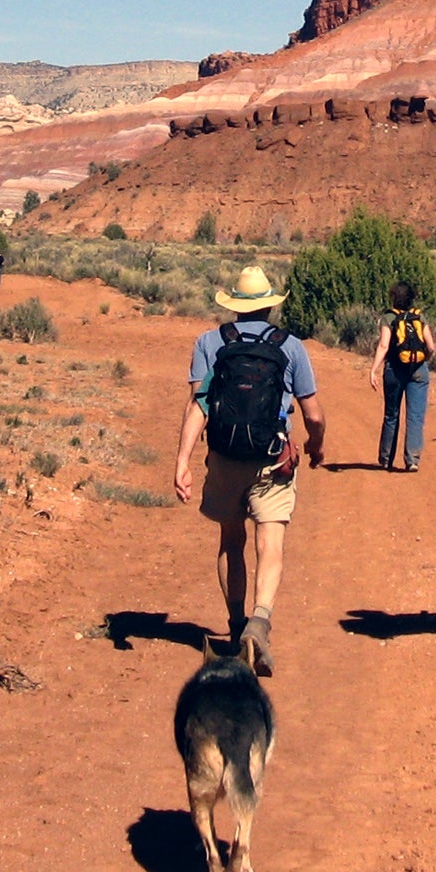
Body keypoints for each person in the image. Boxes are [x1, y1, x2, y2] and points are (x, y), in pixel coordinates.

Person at [173, 265, 325, 676]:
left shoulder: (210, 342)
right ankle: (260, 622)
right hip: (272, 459)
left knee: (231, 540)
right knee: (270, 543)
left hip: (225, 457)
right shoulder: (290, 347)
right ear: (270, 306)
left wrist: (183, 460)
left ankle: (237, 624)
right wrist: (316, 444)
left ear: (235, 306)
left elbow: (199, 405)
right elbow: (312, 413)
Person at [367, 280, 436, 471]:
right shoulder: (419, 317)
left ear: (394, 297)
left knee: (392, 414)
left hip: (395, 370)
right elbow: (431, 346)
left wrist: (373, 369)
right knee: (415, 416)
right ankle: (412, 460)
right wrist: (424, 360)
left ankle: (386, 458)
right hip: (419, 370)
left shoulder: (389, 317)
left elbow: (384, 345)